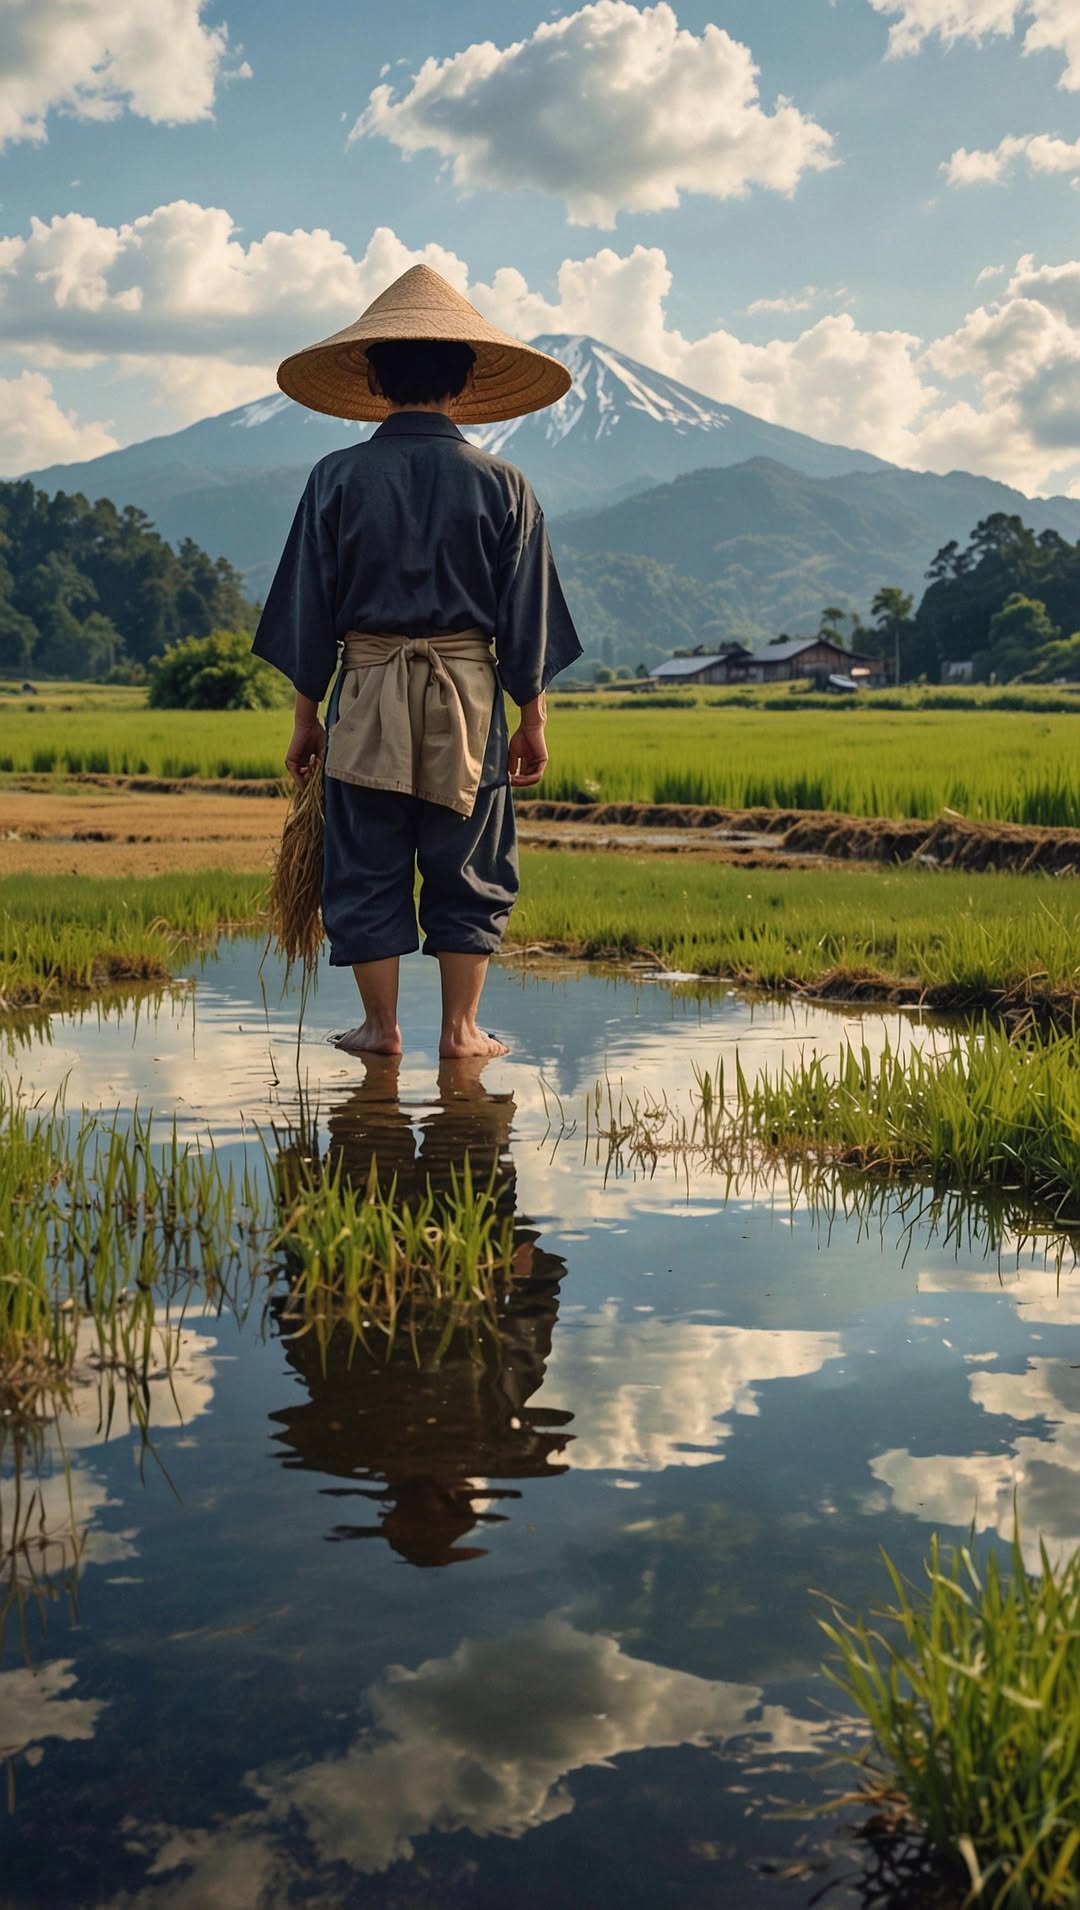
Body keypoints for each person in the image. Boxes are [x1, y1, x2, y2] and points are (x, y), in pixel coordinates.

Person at [252, 264, 583, 1058]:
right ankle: (462, 1032)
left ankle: (379, 1028)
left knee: (364, 859)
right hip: (470, 698)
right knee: (469, 860)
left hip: (365, 694)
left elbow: (308, 608)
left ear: (373, 377)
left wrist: (306, 718)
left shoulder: (335, 478)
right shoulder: (505, 484)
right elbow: (527, 616)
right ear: (466, 380)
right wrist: (532, 719)